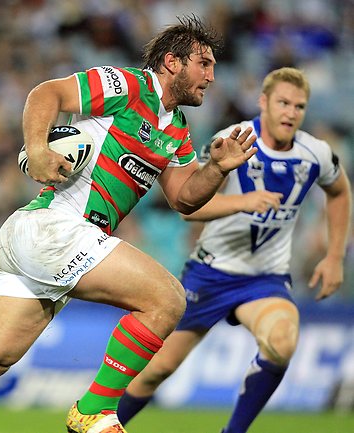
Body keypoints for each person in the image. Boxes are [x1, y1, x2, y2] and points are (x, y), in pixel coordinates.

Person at [0, 16, 257, 433]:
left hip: (47, 239)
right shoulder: (128, 86)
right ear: (172, 62)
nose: (211, 75)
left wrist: (218, 168)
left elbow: (184, 197)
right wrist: (37, 149)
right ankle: (93, 410)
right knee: (167, 299)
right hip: (56, 227)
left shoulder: (179, 130)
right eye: (203, 63)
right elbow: (48, 92)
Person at [116, 67, 352, 433]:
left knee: (282, 340)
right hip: (210, 272)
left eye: (299, 106)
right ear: (263, 102)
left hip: (264, 278)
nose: (291, 112)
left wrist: (335, 256)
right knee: (155, 371)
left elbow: (339, 191)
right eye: (283, 103)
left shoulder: (316, 153)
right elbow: (189, 208)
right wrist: (243, 202)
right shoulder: (233, 140)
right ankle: (95, 424)